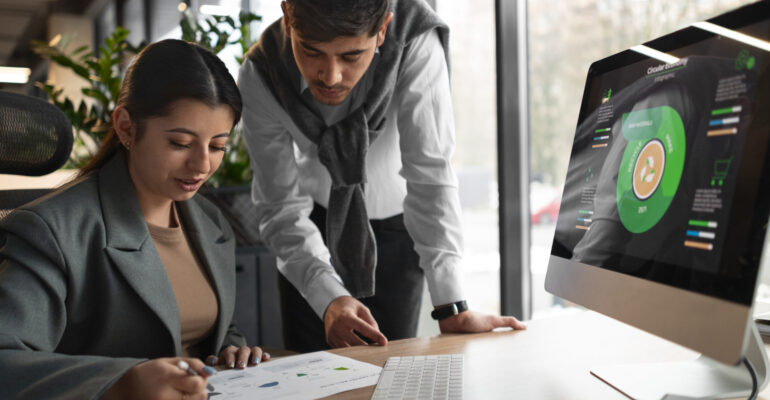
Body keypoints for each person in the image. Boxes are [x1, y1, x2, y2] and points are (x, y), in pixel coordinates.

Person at [239, 0, 526, 353]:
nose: (330, 77)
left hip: (397, 227)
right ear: (287, 20)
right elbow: (279, 205)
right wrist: (327, 297)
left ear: (383, 30)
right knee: (312, 375)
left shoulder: (415, 41)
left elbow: (430, 174)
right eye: (311, 51)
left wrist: (452, 305)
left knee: (394, 371)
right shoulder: (261, 72)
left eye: (350, 56)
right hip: (309, 230)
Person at [0, 39, 269, 400]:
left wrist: (230, 350)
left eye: (217, 145)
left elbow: (203, 326)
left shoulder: (211, 222)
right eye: (180, 143)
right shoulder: (51, 231)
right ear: (126, 127)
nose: (203, 165)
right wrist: (119, 382)